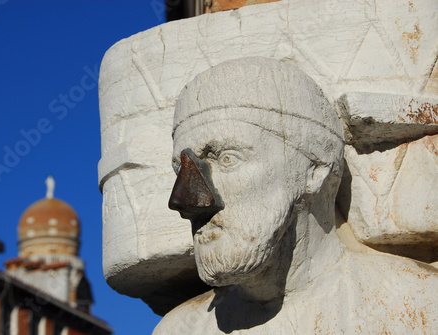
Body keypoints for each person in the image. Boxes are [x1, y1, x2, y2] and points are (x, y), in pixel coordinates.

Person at [153, 57, 438, 334]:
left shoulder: (417, 306)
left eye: (228, 159)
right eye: (182, 169)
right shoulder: (180, 330)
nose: (186, 200)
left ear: (315, 170)